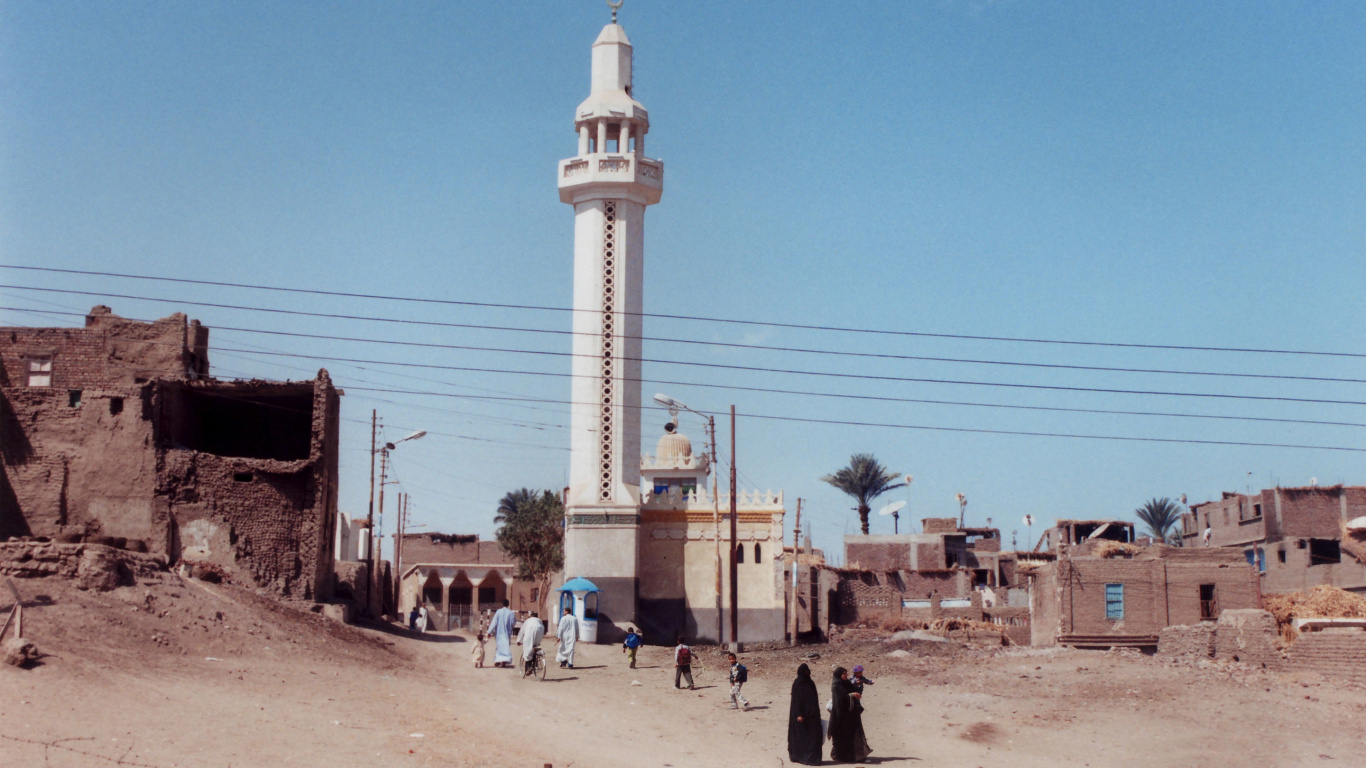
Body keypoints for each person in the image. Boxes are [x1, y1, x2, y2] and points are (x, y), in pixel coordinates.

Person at [828, 667, 871, 763]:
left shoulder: (847, 683)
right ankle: (840, 756)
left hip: (851, 715)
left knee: (853, 735)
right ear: (839, 675)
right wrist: (852, 695)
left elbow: (854, 690)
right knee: (842, 736)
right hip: (841, 716)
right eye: (843, 674)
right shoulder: (836, 686)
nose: (846, 675)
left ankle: (855, 756)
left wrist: (857, 691)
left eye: (846, 673)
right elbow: (840, 700)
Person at [787, 663, 823, 766]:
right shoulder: (798, 683)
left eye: (808, 671)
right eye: (805, 671)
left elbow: (814, 699)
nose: (807, 673)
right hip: (801, 716)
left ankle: (813, 759)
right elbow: (796, 701)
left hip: (812, 715)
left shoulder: (811, 683)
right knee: (800, 736)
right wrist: (799, 714)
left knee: (814, 736)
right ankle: (799, 756)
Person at [516, 611, 546, 677]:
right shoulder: (539, 620)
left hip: (530, 632)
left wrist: (519, 640)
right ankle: (535, 663)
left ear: (531, 616)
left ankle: (529, 667)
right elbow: (543, 629)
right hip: (539, 631)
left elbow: (522, 631)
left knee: (527, 650)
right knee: (534, 647)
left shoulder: (528, 620)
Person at [489, 599, 516, 668]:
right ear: (508, 604)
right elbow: (513, 623)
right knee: (505, 647)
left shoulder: (498, 612)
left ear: (502, 604)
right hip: (507, 633)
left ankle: (498, 661)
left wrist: (489, 632)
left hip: (499, 633)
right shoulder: (511, 613)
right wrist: (510, 627)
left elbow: (494, 622)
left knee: (499, 647)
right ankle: (502, 662)